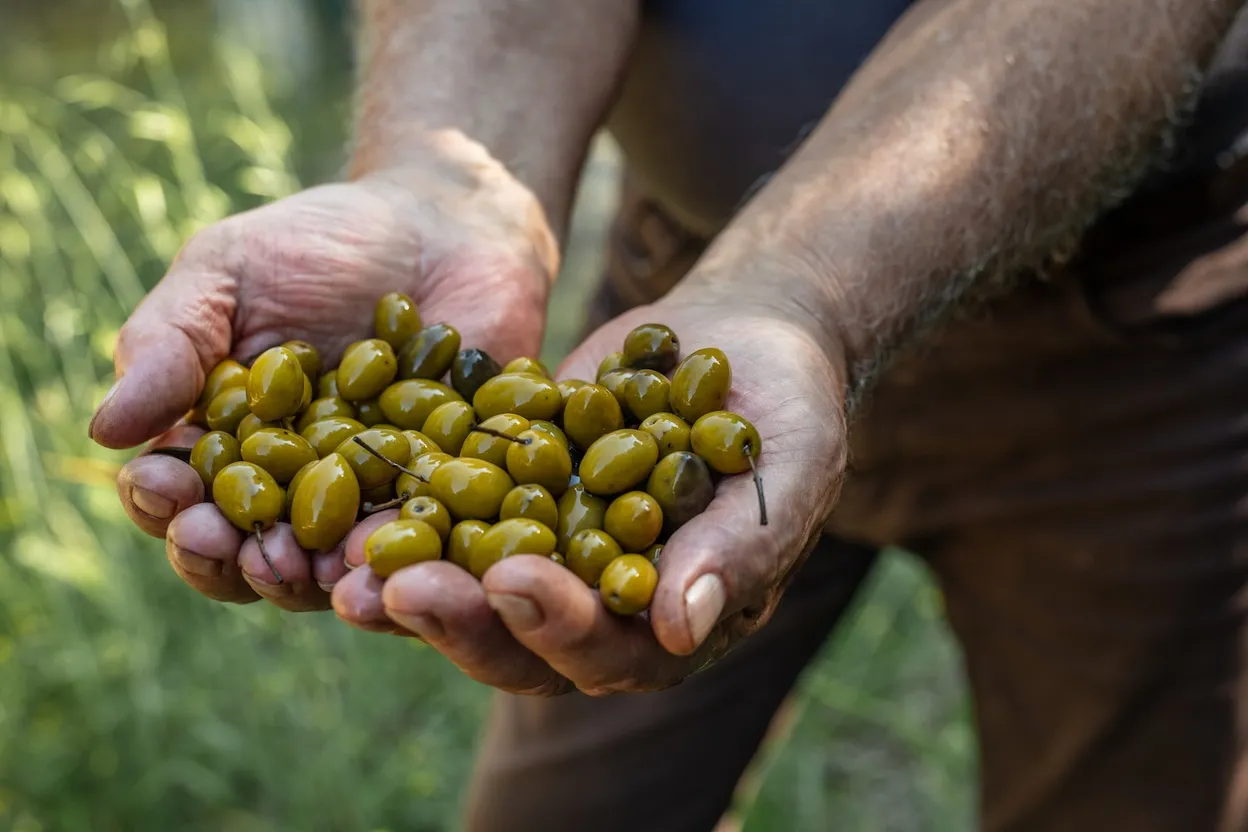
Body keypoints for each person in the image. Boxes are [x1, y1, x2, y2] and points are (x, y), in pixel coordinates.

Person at [88, 0, 1248, 829]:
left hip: (1142, 335)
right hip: (695, 293)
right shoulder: (602, 421)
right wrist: (449, 180)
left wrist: (802, 287)